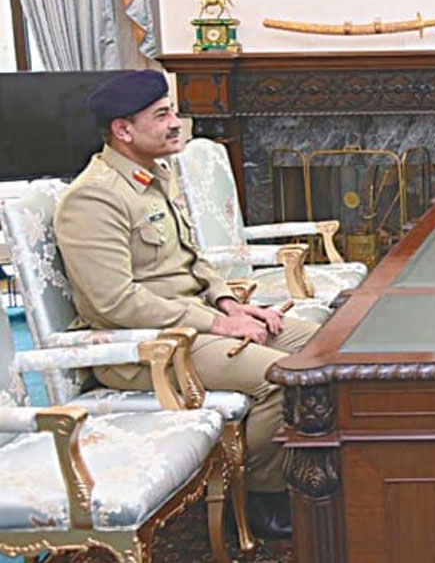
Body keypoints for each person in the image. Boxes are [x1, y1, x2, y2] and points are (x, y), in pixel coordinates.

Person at [54, 70, 318, 539]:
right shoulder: (94, 197)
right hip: (145, 347)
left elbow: (193, 259)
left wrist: (229, 305)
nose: (176, 123)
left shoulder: (153, 174)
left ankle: (311, 468)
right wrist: (217, 324)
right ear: (123, 129)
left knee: (327, 348)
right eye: (162, 115)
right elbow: (116, 301)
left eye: (172, 111)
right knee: (285, 379)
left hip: (196, 323)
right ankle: (262, 495)